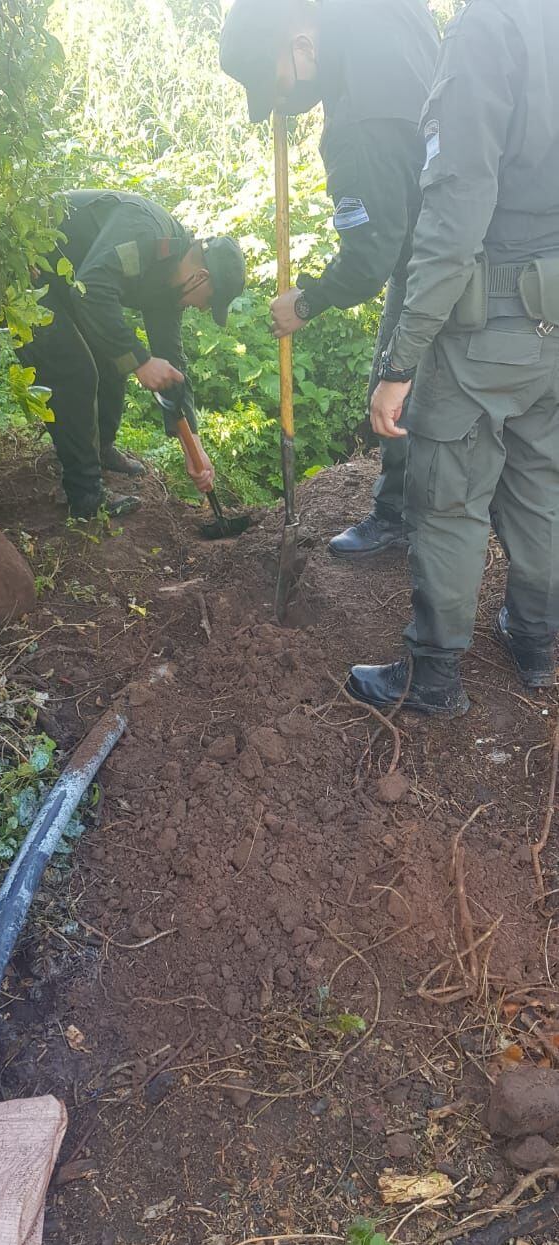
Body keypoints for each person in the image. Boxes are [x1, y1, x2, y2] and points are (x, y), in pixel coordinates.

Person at [347, 0, 559, 716]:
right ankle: (535, 642)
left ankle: (433, 675)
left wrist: (399, 360)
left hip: (490, 316)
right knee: (541, 483)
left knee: (447, 495)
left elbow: (456, 208)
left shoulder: (490, 25)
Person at [219, 0, 439, 558]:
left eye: (273, 83)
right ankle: (406, 515)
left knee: (397, 395)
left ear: (298, 41)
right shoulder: (386, 21)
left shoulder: (359, 116)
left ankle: (411, 526)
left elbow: (369, 256)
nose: (280, 101)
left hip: (433, 261)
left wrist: (308, 302)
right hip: (466, 241)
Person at [20, 190, 245, 519]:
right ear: (201, 277)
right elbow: (93, 289)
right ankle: (85, 496)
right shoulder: (145, 235)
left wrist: (192, 444)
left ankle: (100, 448)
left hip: (67, 280)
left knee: (114, 359)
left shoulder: (170, 281)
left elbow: (172, 363)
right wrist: (140, 361)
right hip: (21, 267)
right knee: (75, 370)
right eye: (208, 301)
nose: (201, 308)